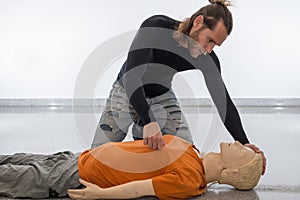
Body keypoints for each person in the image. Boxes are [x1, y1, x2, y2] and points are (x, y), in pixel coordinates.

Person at [92, 0, 266, 173]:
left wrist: (244, 144)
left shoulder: (207, 59)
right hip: (128, 91)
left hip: (162, 95)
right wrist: (149, 120)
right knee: (94, 161)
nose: (209, 49)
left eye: (215, 45)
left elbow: (224, 103)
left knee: (189, 162)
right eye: (209, 40)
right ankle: (142, 129)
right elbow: (132, 76)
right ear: (198, 22)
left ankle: (142, 140)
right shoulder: (156, 26)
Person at [0, 134, 263, 199]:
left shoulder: (189, 180)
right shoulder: (192, 150)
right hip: (76, 157)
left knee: (8, 177)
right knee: (12, 159)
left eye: (242, 151)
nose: (241, 142)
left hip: (78, 175)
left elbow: (140, 189)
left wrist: (99, 194)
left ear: (235, 171)